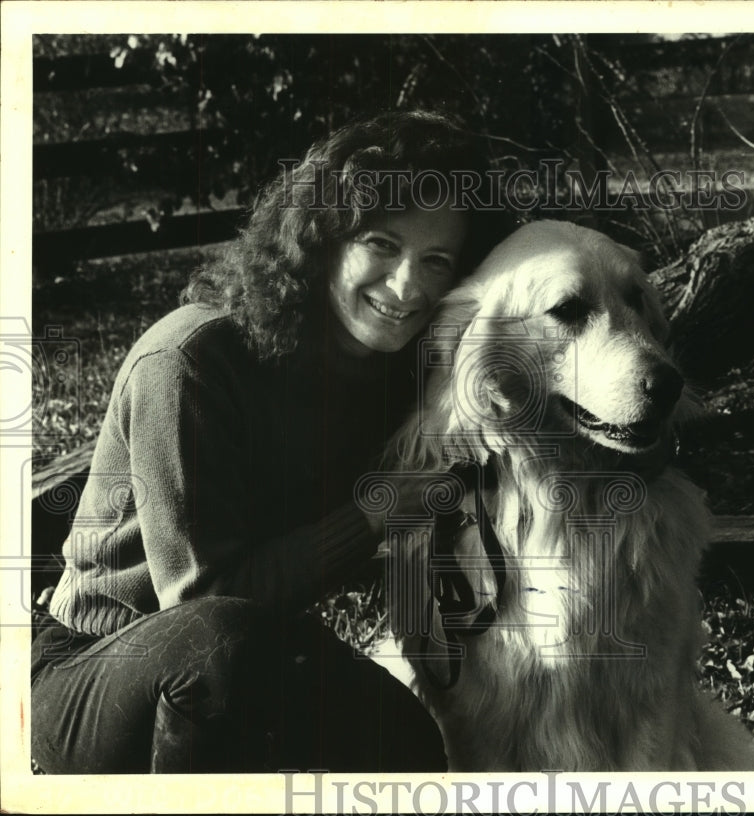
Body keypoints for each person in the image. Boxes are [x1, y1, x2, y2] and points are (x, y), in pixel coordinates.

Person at [31, 110, 510, 773]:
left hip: (253, 653)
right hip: (88, 674)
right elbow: (202, 602)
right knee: (217, 646)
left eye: (437, 260)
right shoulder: (191, 358)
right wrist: (376, 510)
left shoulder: (400, 372)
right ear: (322, 241)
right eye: (381, 243)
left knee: (408, 738)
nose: (409, 286)